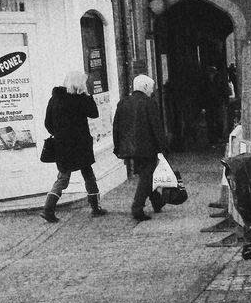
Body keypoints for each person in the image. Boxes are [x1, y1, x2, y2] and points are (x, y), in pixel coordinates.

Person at [40, 70, 105, 223]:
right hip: (80, 144)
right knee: (88, 174)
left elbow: (47, 123)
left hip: (62, 145)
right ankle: (95, 207)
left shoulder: (54, 99)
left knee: (63, 178)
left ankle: (48, 209)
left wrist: (59, 134)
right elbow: (94, 113)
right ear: (79, 84)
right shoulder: (80, 99)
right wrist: (88, 95)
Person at [112, 73, 170, 222]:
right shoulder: (149, 103)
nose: (152, 91)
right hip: (146, 146)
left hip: (129, 146)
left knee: (146, 174)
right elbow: (156, 127)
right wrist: (163, 147)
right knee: (146, 176)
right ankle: (137, 208)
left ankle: (157, 201)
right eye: (151, 88)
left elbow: (116, 126)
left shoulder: (123, 102)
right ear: (145, 87)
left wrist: (117, 146)